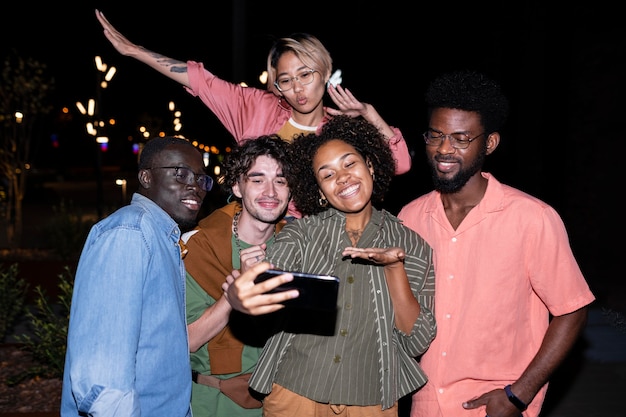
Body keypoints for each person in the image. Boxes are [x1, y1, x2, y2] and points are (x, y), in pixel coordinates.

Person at [396, 70, 596, 417]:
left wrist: (519, 394)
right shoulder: (410, 218)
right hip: (425, 402)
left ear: (489, 144)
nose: (444, 149)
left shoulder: (532, 218)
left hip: (495, 406)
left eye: (461, 138)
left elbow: (572, 310)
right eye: (436, 135)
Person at [223, 115, 437, 416]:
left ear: (371, 165)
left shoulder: (412, 245)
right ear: (320, 191)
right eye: (328, 175)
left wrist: (394, 269)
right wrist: (242, 296)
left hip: (372, 400)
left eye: (350, 164)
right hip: (295, 394)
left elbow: (416, 340)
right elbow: (270, 281)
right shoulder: (302, 233)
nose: (343, 178)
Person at [94, 9, 411, 179]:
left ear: (325, 73)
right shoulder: (256, 108)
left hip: (321, 248)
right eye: (285, 80)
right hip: (260, 241)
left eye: (305, 75)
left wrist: (372, 116)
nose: (297, 88)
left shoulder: (342, 127)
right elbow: (201, 80)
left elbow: (399, 165)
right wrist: (135, 51)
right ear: (275, 84)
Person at [61, 136, 211, 417]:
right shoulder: (130, 233)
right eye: (181, 173)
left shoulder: (160, 237)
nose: (195, 185)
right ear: (145, 177)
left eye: (201, 178)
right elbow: (103, 379)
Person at [182, 134, 292, 416]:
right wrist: (234, 296)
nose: (270, 192)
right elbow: (187, 341)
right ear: (237, 186)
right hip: (216, 402)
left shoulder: (296, 246)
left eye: (280, 180)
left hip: (282, 399)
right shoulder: (198, 246)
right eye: (257, 180)